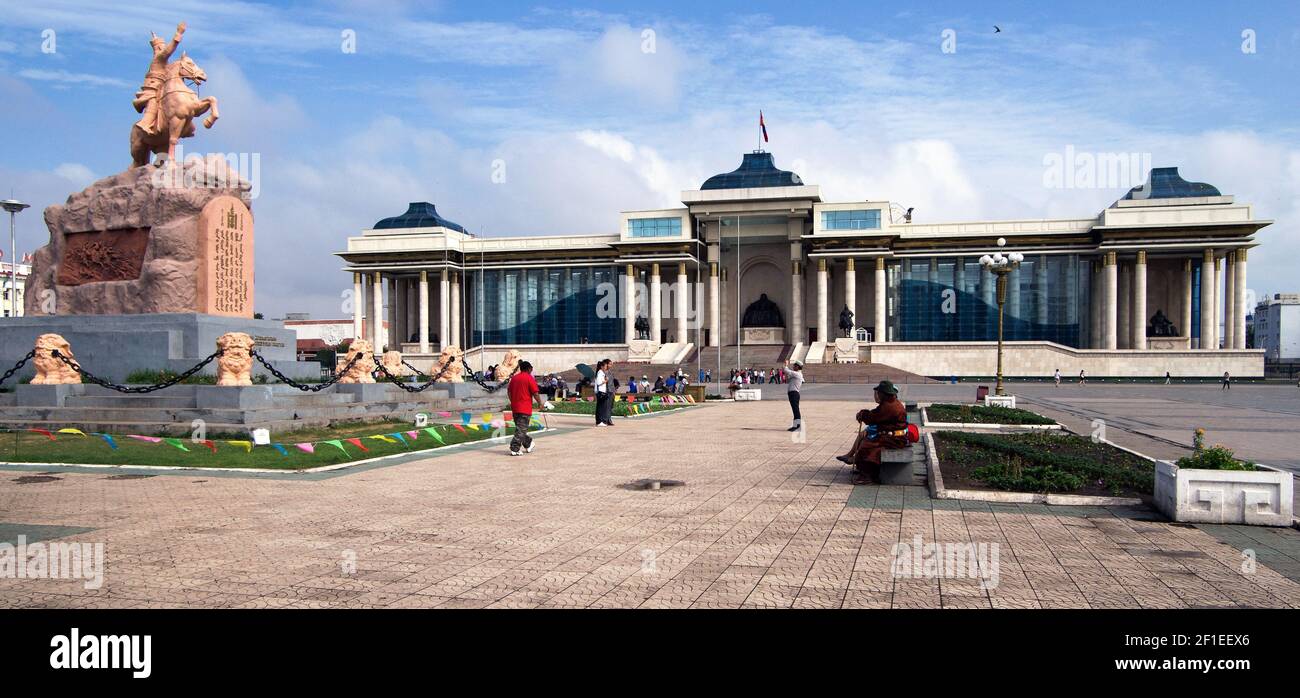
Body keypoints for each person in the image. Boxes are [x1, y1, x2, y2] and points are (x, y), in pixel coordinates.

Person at [835, 380, 909, 485]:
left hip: (895, 440)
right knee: (865, 440)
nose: (877, 395)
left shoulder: (890, 406)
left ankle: (867, 476)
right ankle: (862, 469)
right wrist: (864, 414)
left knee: (868, 446)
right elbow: (875, 413)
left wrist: (863, 415)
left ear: (883, 394)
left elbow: (873, 418)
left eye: (878, 393)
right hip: (890, 438)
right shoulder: (889, 403)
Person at [507, 360, 553, 456]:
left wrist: (513, 401)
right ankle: (514, 448)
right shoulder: (529, 378)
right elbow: (535, 393)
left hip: (515, 408)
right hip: (524, 408)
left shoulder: (514, 378)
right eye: (531, 368)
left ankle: (528, 444)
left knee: (520, 429)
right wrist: (540, 403)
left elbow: (509, 392)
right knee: (521, 429)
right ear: (529, 369)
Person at [785, 360, 805, 432]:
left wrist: (786, 365)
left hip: (794, 393)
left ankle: (797, 426)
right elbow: (788, 379)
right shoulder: (797, 374)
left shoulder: (798, 374)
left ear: (797, 367)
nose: (793, 367)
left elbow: (786, 370)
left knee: (796, 410)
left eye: (794, 366)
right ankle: (795, 425)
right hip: (792, 393)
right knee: (795, 410)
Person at [594, 359, 613, 426]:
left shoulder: (601, 372)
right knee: (601, 407)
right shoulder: (600, 373)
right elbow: (599, 383)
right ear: (601, 366)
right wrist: (605, 381)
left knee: (601, 407)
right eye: (605, 366)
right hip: (601, 392)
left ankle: (600, 421)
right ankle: (599, 421)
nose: (606, 367)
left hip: (602, 392)